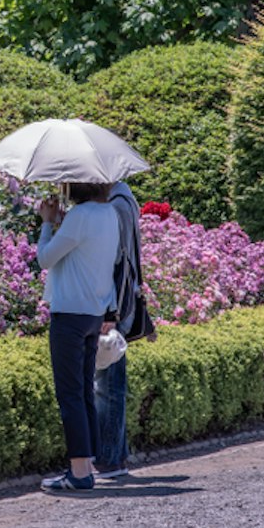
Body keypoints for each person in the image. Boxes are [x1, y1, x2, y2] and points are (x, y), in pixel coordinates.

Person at [35, 180, 119, 491]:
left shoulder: (80, 216)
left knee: (70, 393)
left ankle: (80, 471)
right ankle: (88, 464)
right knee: (84, 390)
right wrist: (61, 223)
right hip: (93, 312)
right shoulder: (108, 213)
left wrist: (47, 224)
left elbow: (45, 258)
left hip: (69, 313)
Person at [94, 180, 143, 480]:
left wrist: (108, 310)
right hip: (119, 303)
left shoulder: (116, 206)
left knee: (108, 386)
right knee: (111, 383)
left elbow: (114, 260)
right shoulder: (125, 200)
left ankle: (110, 460)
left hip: (113, 305)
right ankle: (117, 456)